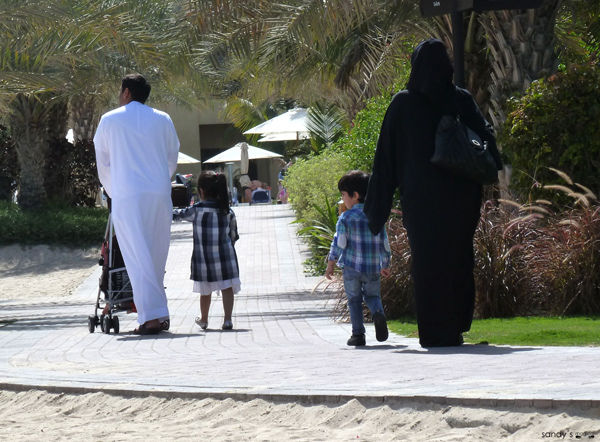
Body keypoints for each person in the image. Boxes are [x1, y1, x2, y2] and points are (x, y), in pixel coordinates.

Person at [363, 39, 502, 347]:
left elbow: (385, 159)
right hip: (462, 200)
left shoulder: (403, 104)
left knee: (428, 263)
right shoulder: (460, 99)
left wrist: (375, 211)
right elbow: (486, 141)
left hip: (422, 202)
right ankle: (456, 325)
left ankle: (436, 332)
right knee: (458, 258)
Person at [94, 74, 180, 335]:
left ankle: (151, 318)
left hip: (128, 195)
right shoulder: (163, 118)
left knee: (137, 255)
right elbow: (172, 157)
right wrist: (160, 181)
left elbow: (103, 162)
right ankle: (157, 313)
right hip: (158, 193)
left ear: (127, 93)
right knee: (156, 254)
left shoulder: (109, 119)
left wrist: (114, 191)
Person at [325, 170, 391, 346]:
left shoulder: (346, 217)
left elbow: (339, 242)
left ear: (355, 195)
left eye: (343, 195)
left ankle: (358, 335)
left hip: (351, 267)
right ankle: (378, 314)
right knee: (373, 296)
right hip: (372, 267)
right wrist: (385, 263)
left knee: (354, 300)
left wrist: (331, 262)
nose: (342, 199)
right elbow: (384, 242)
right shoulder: (375, 216)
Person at [173, 171, 240, 330]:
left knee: (205, 291)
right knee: (227, 288)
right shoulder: (227, 211)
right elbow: (234, 236)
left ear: (201, 191)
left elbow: (178, 215)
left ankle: (204, 319)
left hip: (204, 260)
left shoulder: (196, 210)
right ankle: (227, 320)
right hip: (226, 259)